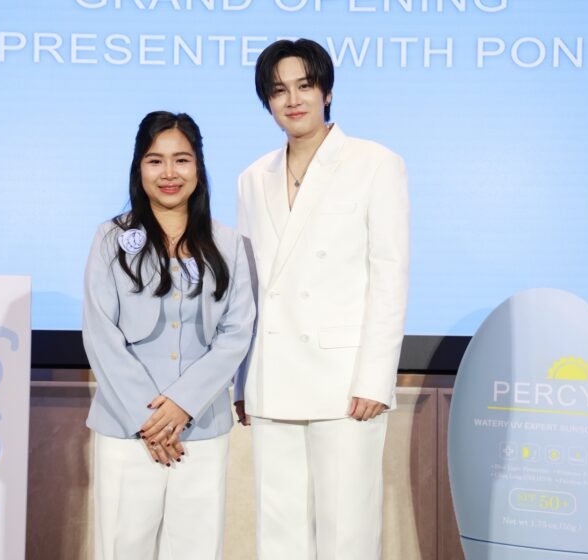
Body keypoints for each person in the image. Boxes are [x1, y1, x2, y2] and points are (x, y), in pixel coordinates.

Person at [233, 39, 410, 560]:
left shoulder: (375, 163)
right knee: (278, 534)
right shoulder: (252, 178)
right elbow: (248, 286)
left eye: (304, 86)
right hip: (272, 374)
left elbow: (390, 275)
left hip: (345, 381)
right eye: (278, 90)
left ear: (326, 91)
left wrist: (375, 378)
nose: (293, 100)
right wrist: (242, 379)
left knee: (346, 533)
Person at [83, 111, 255, 560]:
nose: (169, 173)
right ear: (139, 168)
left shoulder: (229, 245)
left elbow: (236, 333)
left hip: (202, 429)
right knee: (123, 548)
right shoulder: (111, 239)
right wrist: (151, 420)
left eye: (181, 159)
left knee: (197, 549)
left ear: (198, 166)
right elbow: (100, 334)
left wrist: (182, 404)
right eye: (155, 160)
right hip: (127, 429)